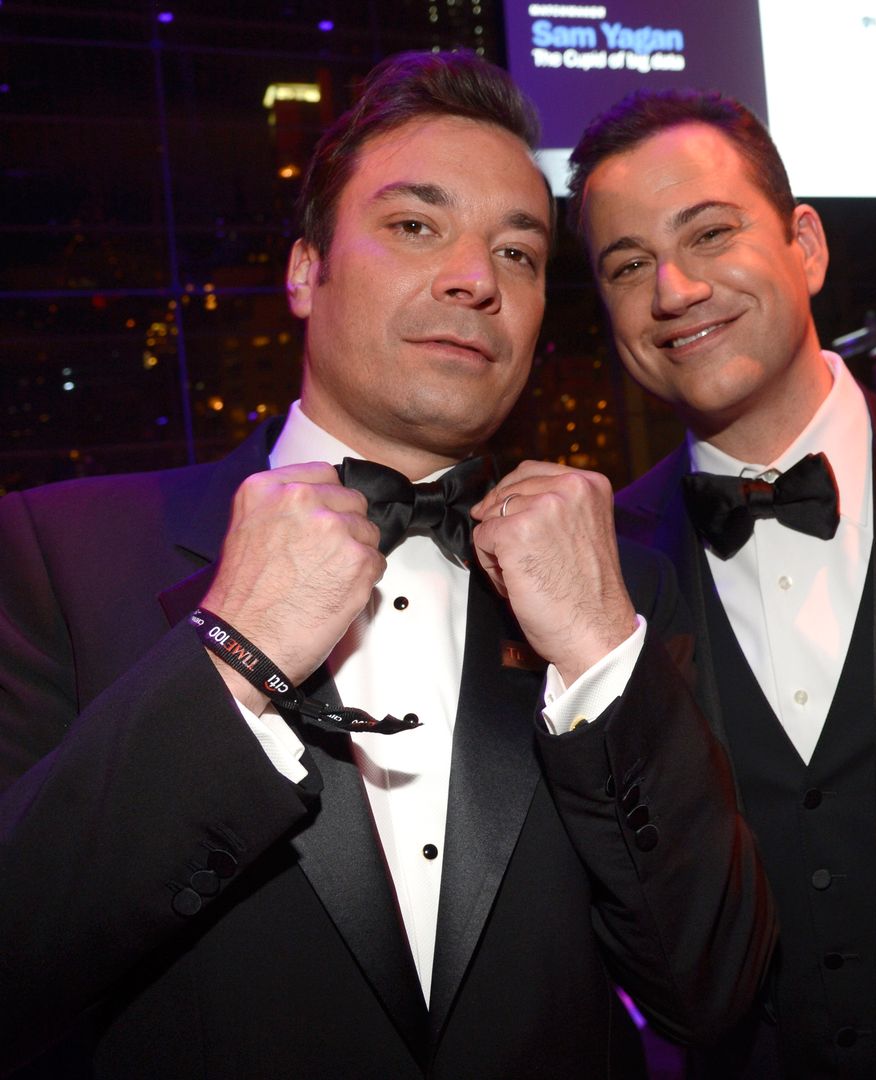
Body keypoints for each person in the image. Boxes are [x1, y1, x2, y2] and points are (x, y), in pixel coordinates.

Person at [0, 56, 776, 1079]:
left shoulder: (627, 582)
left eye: (520, 252)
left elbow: (709, 986)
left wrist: (595, 651)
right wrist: (234, 657)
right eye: (417, 226)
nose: (475, 278)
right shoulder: (62, 553)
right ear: (304, 269)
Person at [568, 88, 876, 1080]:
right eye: (628, 265)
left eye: (710, 232)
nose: (674, 289)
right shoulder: (595, 567)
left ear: (804, 244)